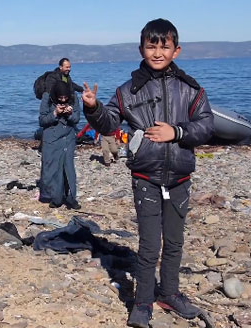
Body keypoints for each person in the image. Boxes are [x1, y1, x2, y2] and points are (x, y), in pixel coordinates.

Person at [82, 18, 214, 328]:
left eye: (164, 46)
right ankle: (142, 302)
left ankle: (169, 293)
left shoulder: (191, 88)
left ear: (176, 50)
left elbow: (206, 125)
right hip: (145, 178)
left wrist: (177, 132)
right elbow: (109, 123)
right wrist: (93, 108)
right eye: (151, 46)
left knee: (175, 243)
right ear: (141, 49)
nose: (157, 52)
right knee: (150, 244)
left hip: (180, 178)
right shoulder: (128, 90)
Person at [39, 80, 81, 210]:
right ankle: (55, 198)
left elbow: (77, 119)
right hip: (52, 138)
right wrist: (55, 114)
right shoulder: (47, 98)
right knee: (52, 169)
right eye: (60, 98)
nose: (63, 100)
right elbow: (42, 120)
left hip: (68, 138)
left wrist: (69, 114)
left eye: (65, 98)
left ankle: (71, 198)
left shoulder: (74, 98)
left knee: (68, 168)